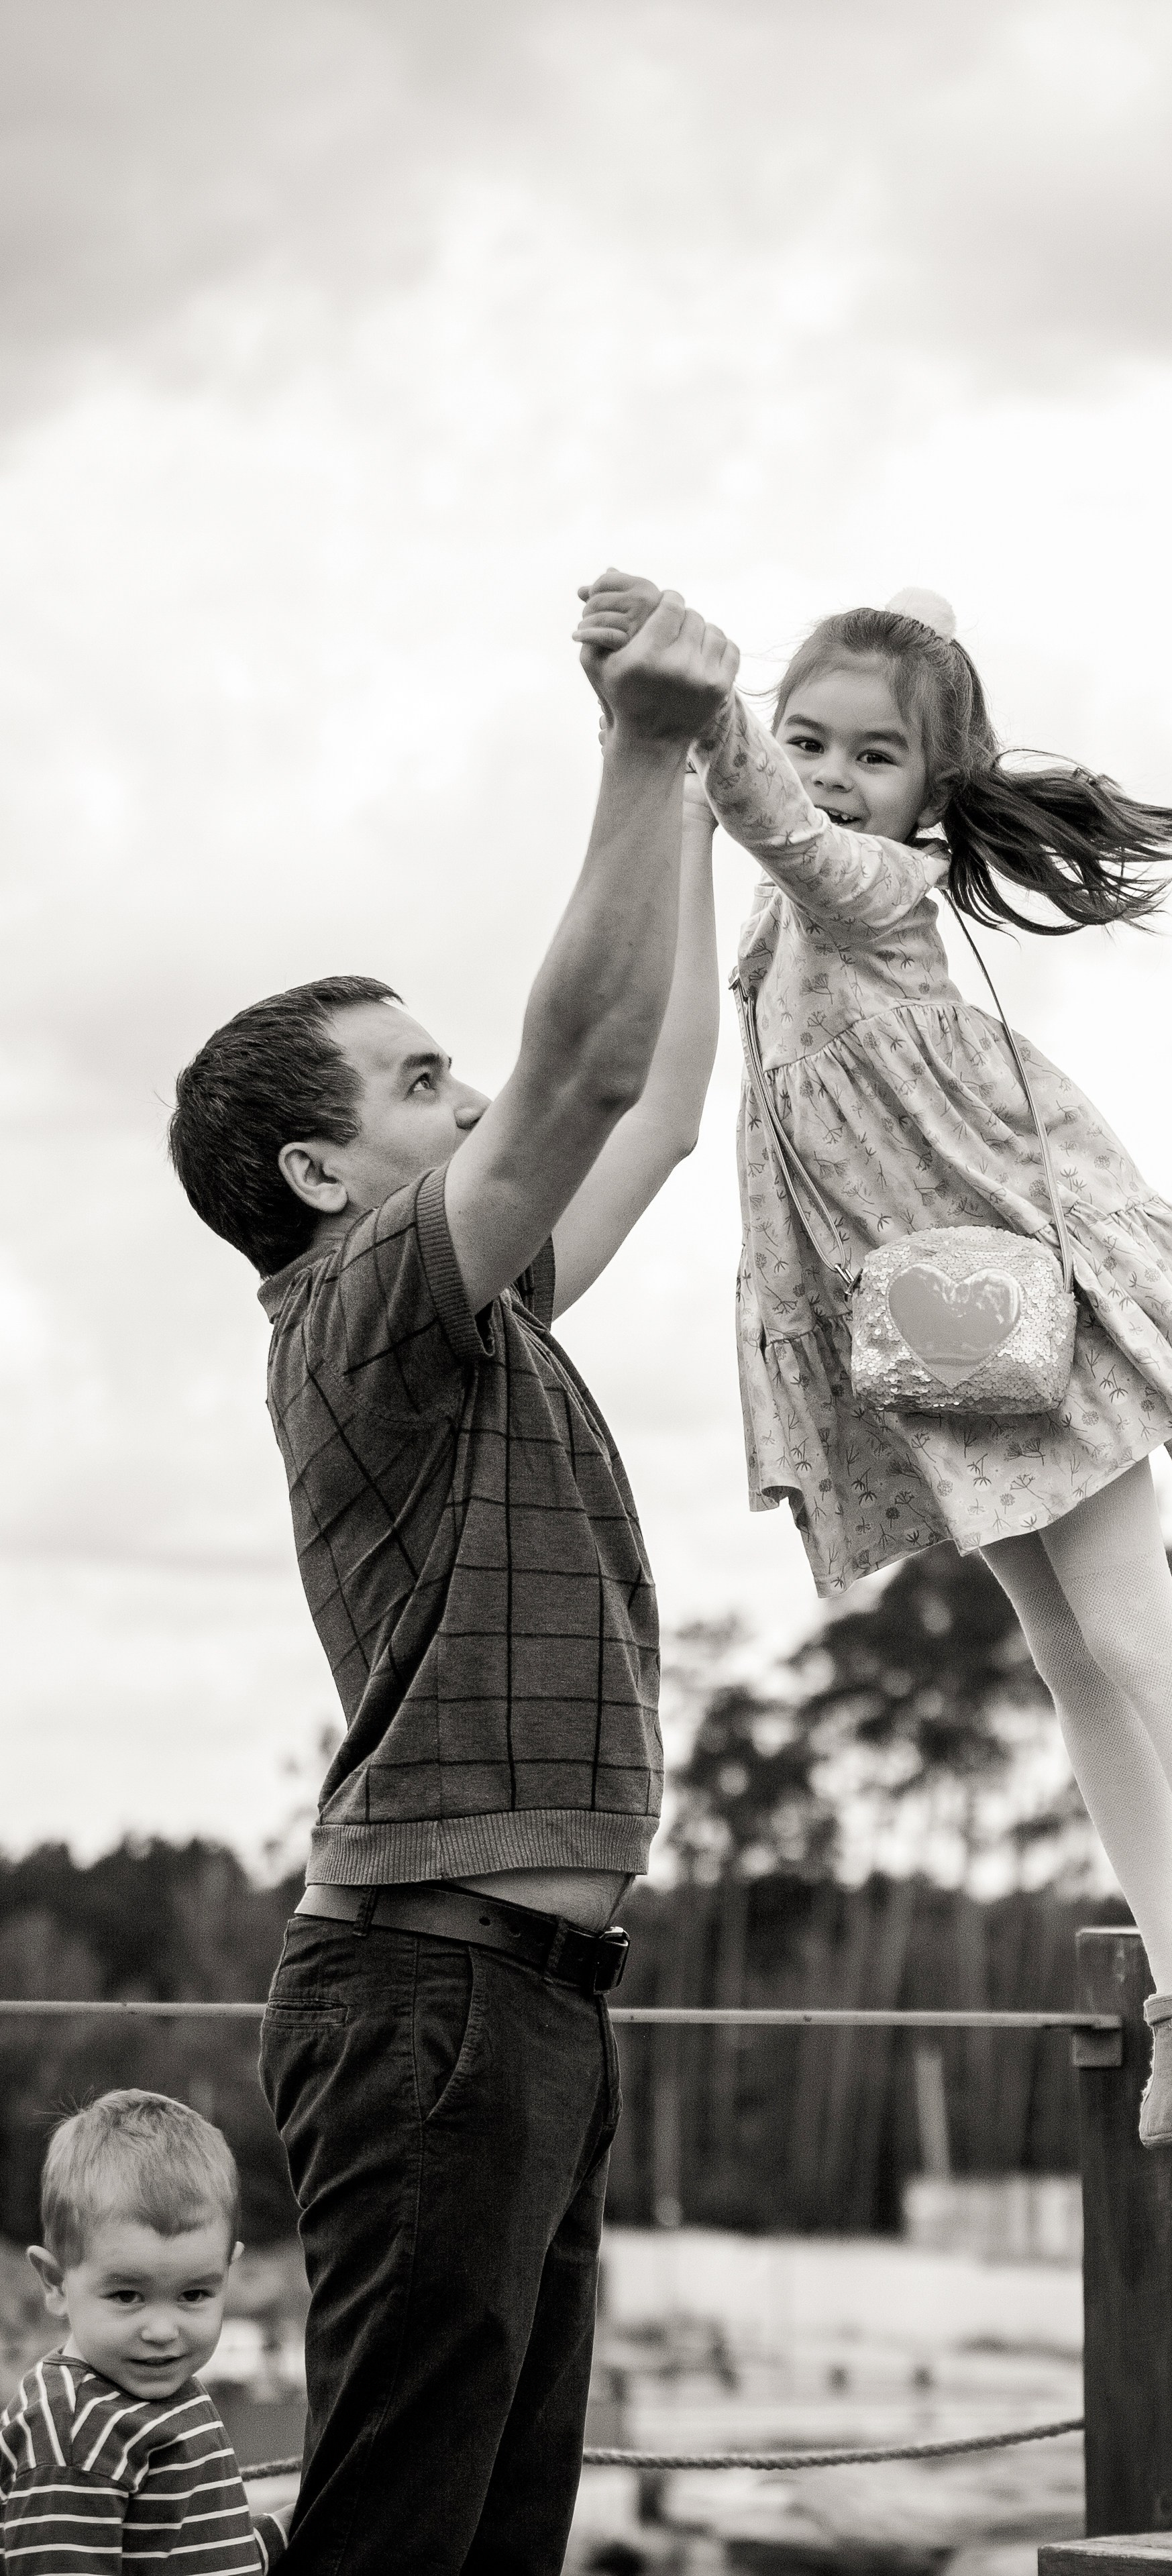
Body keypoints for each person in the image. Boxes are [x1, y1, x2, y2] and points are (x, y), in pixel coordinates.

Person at [576, 576, 1172, 2153]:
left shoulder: (871, 881)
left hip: (1016, 1292)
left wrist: (701, 708)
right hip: (929, 1330)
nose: (832, 774)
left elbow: (778, 822)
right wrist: (645, 734)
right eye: (810, 738)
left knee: (1131, 1619)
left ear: (932, 788)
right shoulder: (784, 911)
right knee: (1068, 1651)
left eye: (873, 754)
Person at [166, 589, 736, 2574]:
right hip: (435, 1992)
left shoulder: (480, 1315)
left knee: (493, 2541)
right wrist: (633, 749)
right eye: (419, 1082)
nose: (471, 1099)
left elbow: (651, 1103)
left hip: (530, 1997)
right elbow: (576, 1071)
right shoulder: (358, 1310)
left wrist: (712, 788)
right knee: (398, 2542)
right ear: (321, 1172)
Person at [1, 2090, 286, 2571]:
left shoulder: (169, 2396)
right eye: (127, 2296)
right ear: (55, 2284)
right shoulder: (73, 2435)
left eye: (193, 2295)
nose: (161, 2330)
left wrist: (295, 2527)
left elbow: (193, 2555)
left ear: (226, 2273)